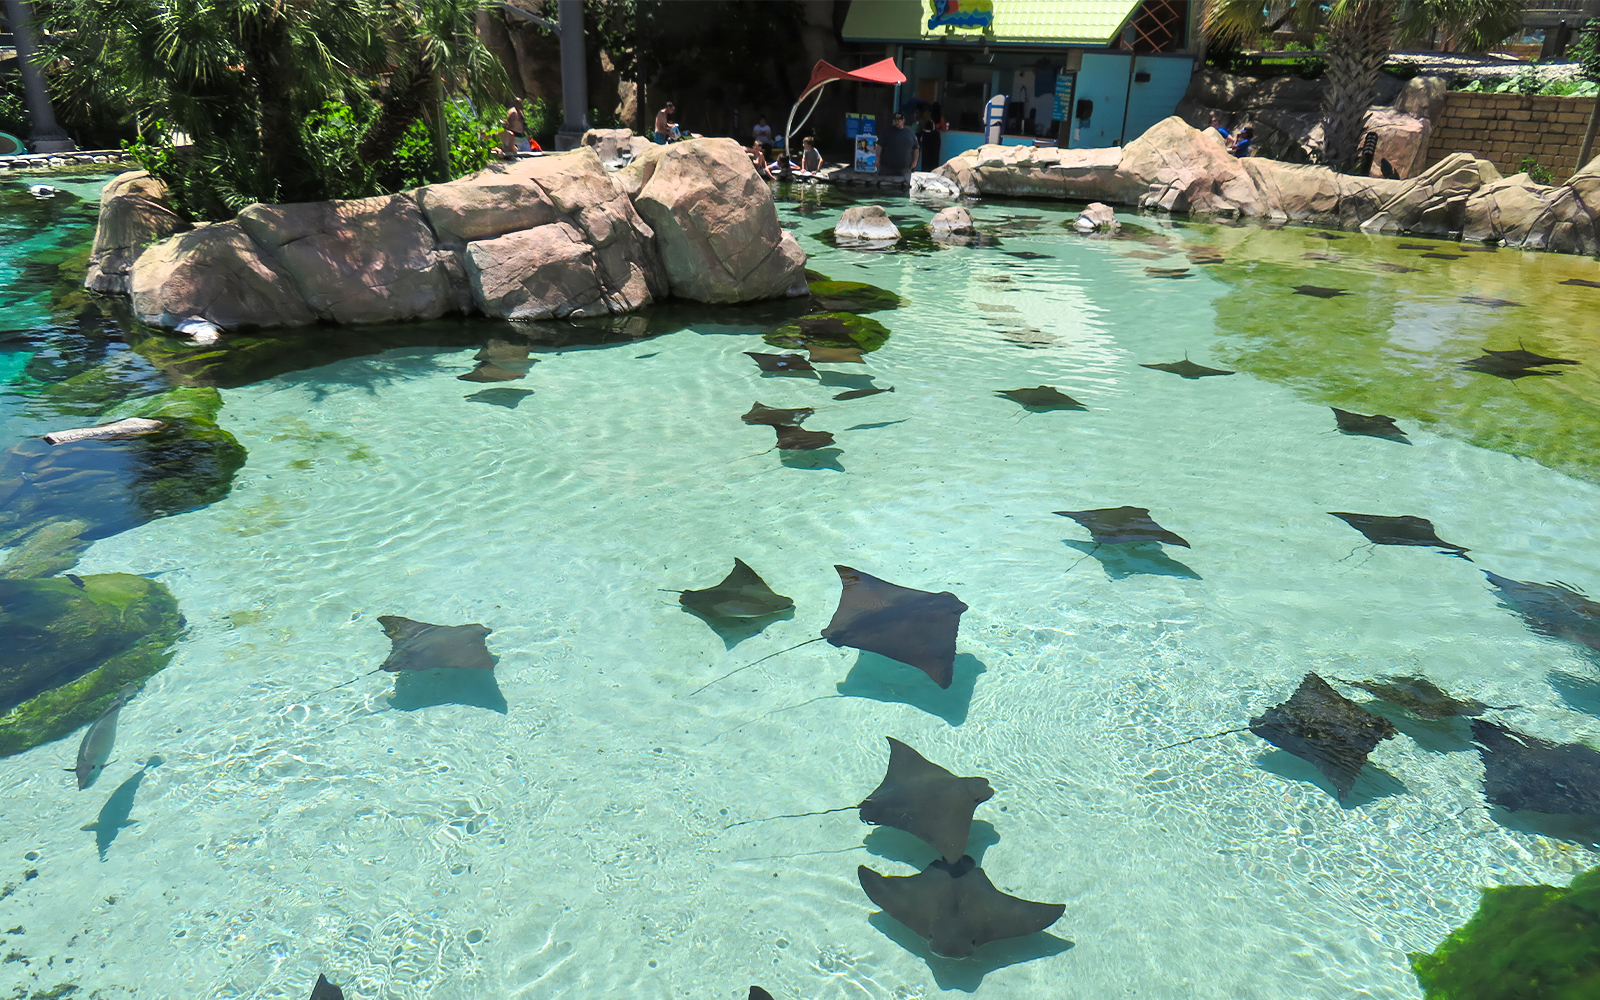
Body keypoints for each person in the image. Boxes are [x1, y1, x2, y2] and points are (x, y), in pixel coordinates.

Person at [876, 112, 919, 177]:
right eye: (896, 120)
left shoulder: (910, 134)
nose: (897, 122)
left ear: (903, 121)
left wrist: (915, 161)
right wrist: (877, 159)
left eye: (899, 120)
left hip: (905, 170)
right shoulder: (887, 132)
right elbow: (879, 146)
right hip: (887, 169)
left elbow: (916, 148)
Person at [917, 106, 942, 173]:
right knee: (933, 163)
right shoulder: (935, 132)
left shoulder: (925, 125)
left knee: (926, 162)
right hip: (933, 148)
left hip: (927, 146)